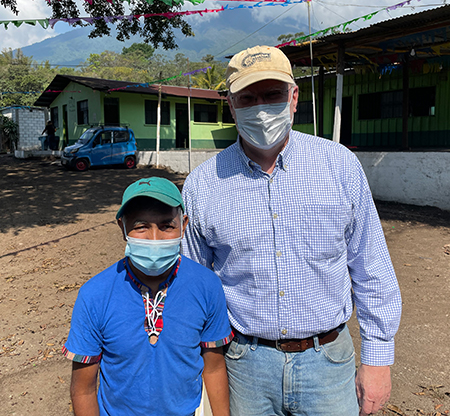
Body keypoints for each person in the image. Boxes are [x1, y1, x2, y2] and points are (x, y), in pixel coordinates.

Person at [181, 45, 402, 416]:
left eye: (273, 95)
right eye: (247, 98)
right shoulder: (203, 185)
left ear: (294, 97)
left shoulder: (339, 166)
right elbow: (193, 290)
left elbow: (371, 267)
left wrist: (378, 360)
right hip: (243, 367)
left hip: (328, 363)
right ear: (231, 106)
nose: (261, 108)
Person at [63, 177, 233, 416]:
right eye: (141, 226)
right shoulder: (94, 294)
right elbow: (83, 389)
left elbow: (214, 368)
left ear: (183, 225)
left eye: (166, 225)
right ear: (122, 227)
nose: (155, 238)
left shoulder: (207, 286)